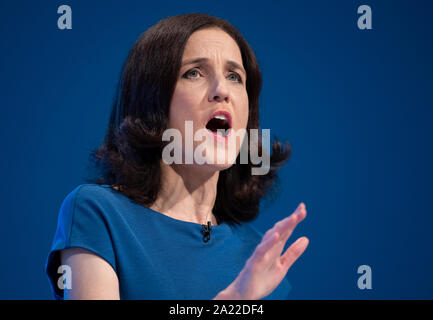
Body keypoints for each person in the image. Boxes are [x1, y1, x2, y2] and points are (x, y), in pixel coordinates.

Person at [45, 13, 309, 300]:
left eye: (235, 77)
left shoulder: (259, 259)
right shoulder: (99, 214)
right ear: (152, 100)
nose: (222, 91)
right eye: (194, 72)